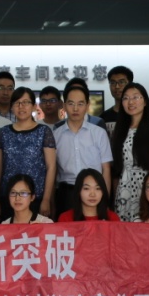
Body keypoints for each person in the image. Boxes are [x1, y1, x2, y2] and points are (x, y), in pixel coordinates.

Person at [110, 82, 149, 221]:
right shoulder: (119, 130)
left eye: (135, 97)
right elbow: (117, 168)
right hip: (124, 190)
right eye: (126, 98)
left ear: (145, 102)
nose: (131, 102)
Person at [0, 88, 56, 219]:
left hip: (36, 197)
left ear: (34, 106)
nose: (21, 107)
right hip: (8, 198)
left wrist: (46, 199)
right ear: (12, 107)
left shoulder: (44, 132)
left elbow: (51, 167)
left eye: (26, 102)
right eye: (17, 103)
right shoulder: (3, 133)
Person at [53, 84, 113, 213]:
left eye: (80, 104)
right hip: (66, 194)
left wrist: (105, 201)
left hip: (94, 193)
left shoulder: (99, 133)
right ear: (64, 105)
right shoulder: (56, 135)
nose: (75, 108)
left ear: (87, 105)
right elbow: (53, 170)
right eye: (71, 103)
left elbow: (106, 169)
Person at [101, 66, 133, 130]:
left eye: (121, 82)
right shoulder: (104, 117)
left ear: (130, 84)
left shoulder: (140, 114)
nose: (117, 86)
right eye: (113, 83)